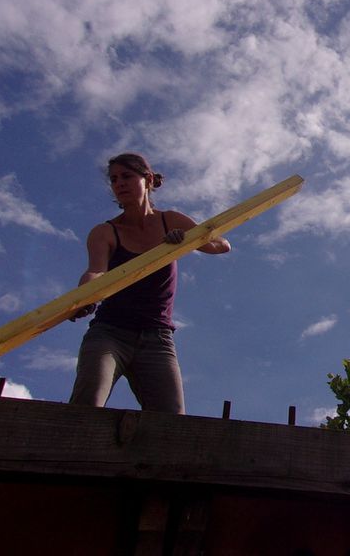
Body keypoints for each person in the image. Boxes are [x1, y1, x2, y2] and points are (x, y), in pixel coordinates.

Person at [68, 153, 231, 414]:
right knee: (87, 405)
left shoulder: (171, 220)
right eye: (114, 179)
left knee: (171, 421)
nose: (119, 183)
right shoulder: (105, 232)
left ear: (149, 180)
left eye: (127, 176)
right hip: (110, 333)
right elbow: (96, 272)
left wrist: (189, 240)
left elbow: (221, 245)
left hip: (157, 339)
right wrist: (84, 296)